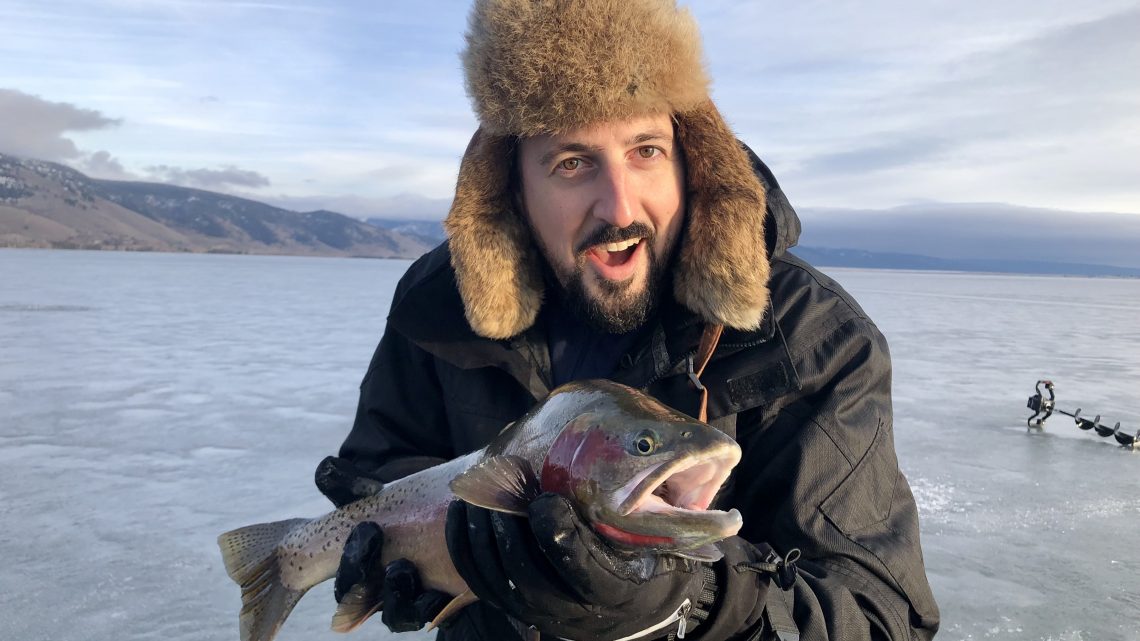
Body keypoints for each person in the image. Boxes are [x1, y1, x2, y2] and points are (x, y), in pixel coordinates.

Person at [314, 1, 941, 639]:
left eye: (646, 150)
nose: (619, 207)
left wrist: (685, 603)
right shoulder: (440, 304)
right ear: (511, 186)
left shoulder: (812, 338)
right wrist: (405, 537)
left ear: (693, 159)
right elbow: (384, 462)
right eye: (571, 163)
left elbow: (878, 615)